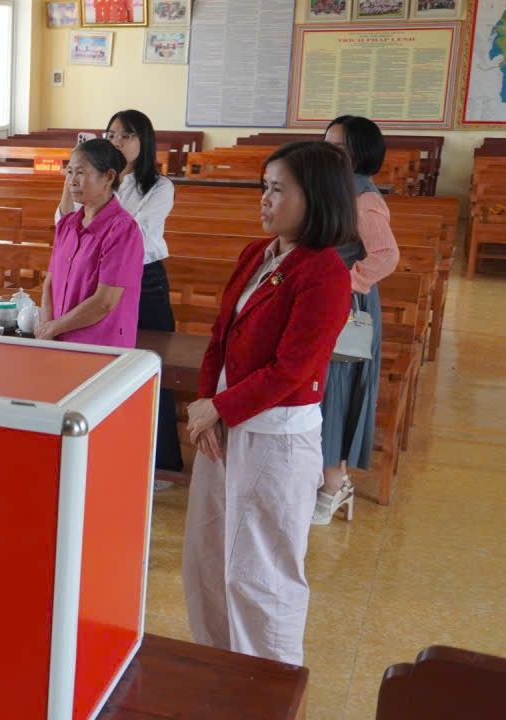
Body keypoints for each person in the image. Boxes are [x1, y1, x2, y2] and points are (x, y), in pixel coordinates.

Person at [180, 141, 354, 666]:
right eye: (265, 186)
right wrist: (206, 402)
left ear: (314, 198)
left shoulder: (325, 273)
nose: (265, 199)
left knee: (260, 575)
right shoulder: (258, 254)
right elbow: (220, 333)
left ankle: (267, 688)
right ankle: (220, 673)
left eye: (278, 189)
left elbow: (292, 368)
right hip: (224, 426)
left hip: (275, 439)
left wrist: (220, 408)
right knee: (208, 561)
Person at [59, 109, 183, 474]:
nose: (117, 141)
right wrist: (73, 175)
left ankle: (163, 460)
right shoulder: (89, 178)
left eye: (126, 135)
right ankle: (110, 451)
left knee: (151, 365)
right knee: (105, 370)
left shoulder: (158, 186)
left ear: (143, 142)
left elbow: (136, 232)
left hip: (145, 279)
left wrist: (102, 208)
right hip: (95, 277)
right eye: (111, 134)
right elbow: (63, 221)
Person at [313, 115, 398, 525]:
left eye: (339, 147)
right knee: (318, 386)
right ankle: (324, 476)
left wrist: (345, 282)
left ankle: (334, 485)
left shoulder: (364, 199)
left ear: (360, 154)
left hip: (348, 307)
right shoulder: (336, 187)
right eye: (326, 143)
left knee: (337, 389)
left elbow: (386, 255)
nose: (329, 152)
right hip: (324, 300)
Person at [35, 139, 143, 347]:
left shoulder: (122, 230)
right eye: (69, 172)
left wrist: (55, 327)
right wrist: (48, 329)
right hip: (58, 341)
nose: (72, 181)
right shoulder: (67, 224)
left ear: (109, 177)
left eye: (80, 173)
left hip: (99, 346)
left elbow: (104, 302)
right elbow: (50, 283)